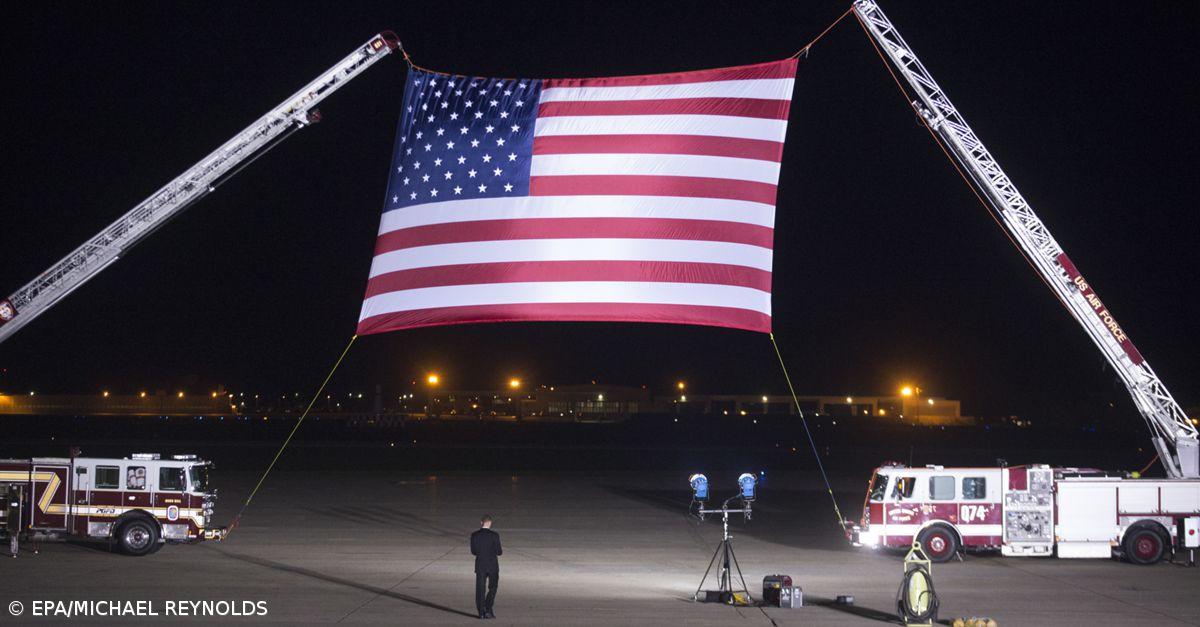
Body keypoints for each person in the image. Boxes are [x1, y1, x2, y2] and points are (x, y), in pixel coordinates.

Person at [470, 514, 502, 619]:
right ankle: (488, 608)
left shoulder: (474, 535)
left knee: (480, 589)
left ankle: (481, 613)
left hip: (480, 566)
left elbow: (473, 551)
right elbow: (499, 552)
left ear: (481, 522)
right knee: (493, 588)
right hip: (492, 566)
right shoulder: (494, 535)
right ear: (490, 523)